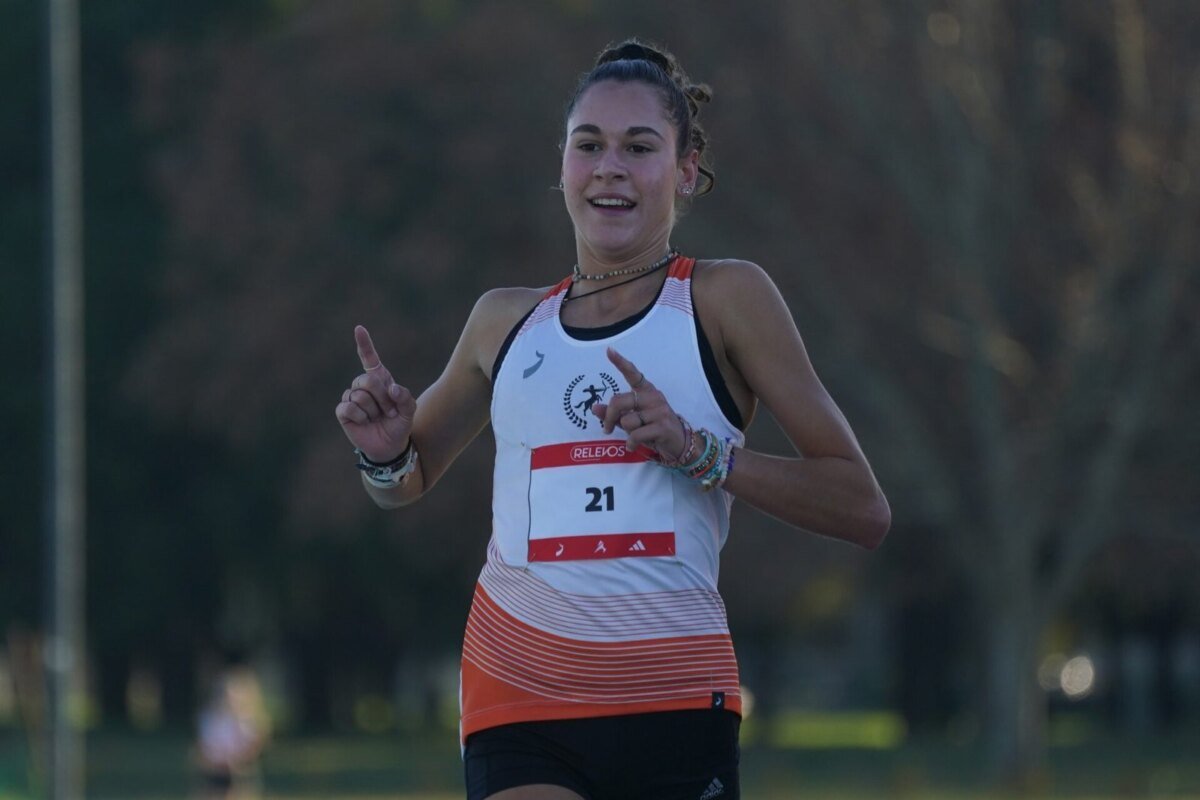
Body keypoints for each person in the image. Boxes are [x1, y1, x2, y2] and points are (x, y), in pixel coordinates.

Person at [335, 38, 890, 800]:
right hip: (516, 684)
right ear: (561, 165)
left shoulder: (726, 300)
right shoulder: (504, 321)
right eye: (588, 145)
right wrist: (384, 451)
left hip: (675, 695)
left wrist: (702, 453)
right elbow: (402, 484)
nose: (610, 168)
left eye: (640, 147)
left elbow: (862, 507)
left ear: (686, 169)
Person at [194, 666, 271, 799]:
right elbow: (205, 745)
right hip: (215, 766)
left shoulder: (245, 720)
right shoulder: (211, 719)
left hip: (238, 766)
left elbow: (255, 743)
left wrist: (240, 757)